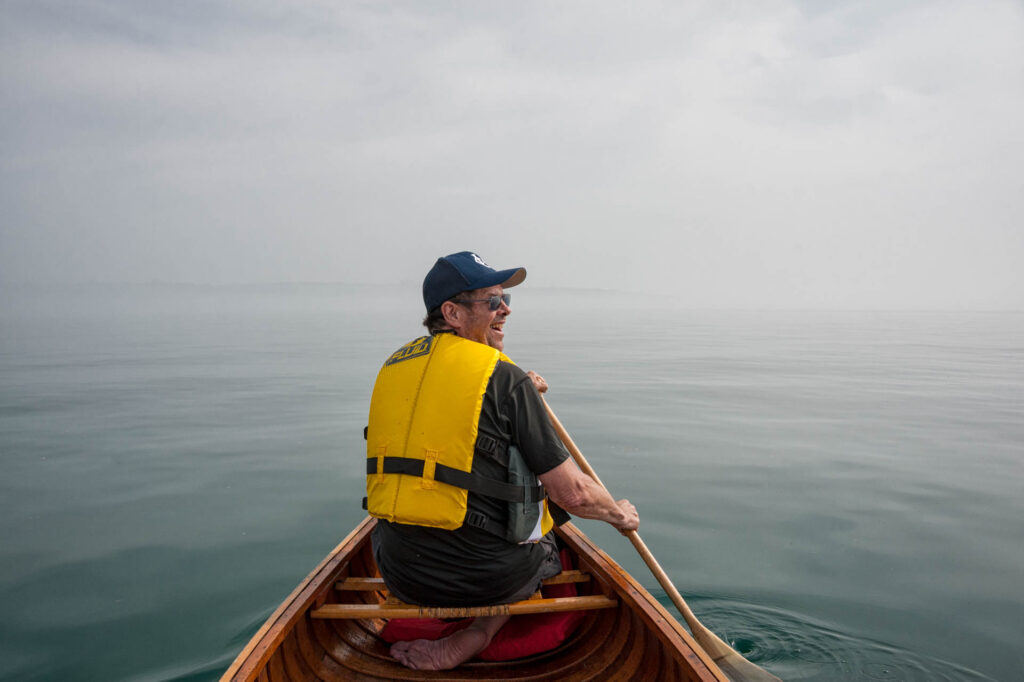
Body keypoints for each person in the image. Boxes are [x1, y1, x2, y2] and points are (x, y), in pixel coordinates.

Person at [364, 251, 639, 671]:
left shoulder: (393, 366)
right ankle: (479, 633)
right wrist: (617, 513)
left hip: (400, 571)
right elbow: (575, 493)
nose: (505, 309)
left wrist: (521, 389)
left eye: (505, 299)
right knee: (552, 520)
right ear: (452, 313)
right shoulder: (504, 378)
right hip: (484, 580)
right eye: (492, 300)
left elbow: (449, 408)